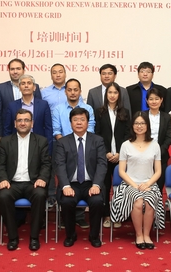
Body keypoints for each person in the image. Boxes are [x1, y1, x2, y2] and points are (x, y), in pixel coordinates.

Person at [0, 109, 52, 251]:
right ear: (15, 123)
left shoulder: (41, 141)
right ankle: (12, 237)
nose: (23, 123)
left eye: (26, 120)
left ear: (32, 123)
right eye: (20, 120)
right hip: (12, 183)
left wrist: (42, 178)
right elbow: (0, 165)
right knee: (3, 196)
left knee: (40, 194)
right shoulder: (5, 141)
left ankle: (34, 237)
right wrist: (3, 179)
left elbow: (46, 164)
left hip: (32, 183)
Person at [54, 107, 107, 248]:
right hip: (71, 184)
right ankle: (70, 235)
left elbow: (102, 164)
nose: (79, 123)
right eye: (75, 120)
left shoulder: (97, 140)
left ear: (87, 122)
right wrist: (65, 186)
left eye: (82, 119)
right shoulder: (63, 142)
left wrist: (96, 185)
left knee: (97, 201)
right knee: (67, 202)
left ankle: (94, 235)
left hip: (91, 183)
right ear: (70, 123)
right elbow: (60, 165)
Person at [111, 112, 164, 249]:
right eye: (136, 123)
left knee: (150, 201)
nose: (139, 126)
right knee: (138, 201)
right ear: (132, 125)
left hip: (149, 184)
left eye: (142, 123)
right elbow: (121, 171)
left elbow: (158, 171)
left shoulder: (155, 145)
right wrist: (135, 185)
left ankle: (147, 235)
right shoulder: (125, 145)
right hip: (129, 184)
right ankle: (139, 235)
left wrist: (147, 184)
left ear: (147, 125)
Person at [52, 78, 95, 228]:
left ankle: (80, 216)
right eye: (69, 90)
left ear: (80, 91)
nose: (72, 92)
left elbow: (91, 128)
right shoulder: (58, 109)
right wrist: (68, 145)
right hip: (64, 150)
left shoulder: (88, 108)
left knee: (83, 180)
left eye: (76, 89)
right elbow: (56, 131)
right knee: (67, 181)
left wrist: (79, 144)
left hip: (85, 147)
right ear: (65, 92)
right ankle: (67, 217)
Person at [94, 82, 131, 229]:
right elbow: (97, 134)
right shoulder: (99, 112)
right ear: (106, 95)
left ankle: (118, 215)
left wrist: (120, 153)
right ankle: (106, 215)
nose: (112, 95)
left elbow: (128, 134)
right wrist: (105, 152)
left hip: (121, 156)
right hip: (104, 156)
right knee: (105, 186)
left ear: (119, 95)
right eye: (110, 92)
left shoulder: (125, 112)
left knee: (120, 188)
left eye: (115, 92)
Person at [0, 58, 42, 139]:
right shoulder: (0, 88)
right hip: (10, 133)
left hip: (33, 134)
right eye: (12, 69)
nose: (15, 71)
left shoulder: (34, 87)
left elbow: (39, 109)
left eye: (18, 69)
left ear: (23, 70)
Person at [4, 74, 53, 150]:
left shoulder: (43, 105)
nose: (26, 86)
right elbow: (7, 129)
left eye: (29, 83)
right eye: (23, 83)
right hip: (17, 145)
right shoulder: (12, 106)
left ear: (34, 87)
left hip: (38, 146)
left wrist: (48, 150)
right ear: (19, 88)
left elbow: (48, 129)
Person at [142, 87, 171, 190]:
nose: (154, 101)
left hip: (161, 156)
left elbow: (169, 137)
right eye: (151, 99)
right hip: (143, 155)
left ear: (161, 100)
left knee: (159, 186)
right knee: (144, 185)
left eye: (156, 98)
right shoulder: (142, 115)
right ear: (147, 100)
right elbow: (138, 134)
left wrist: (159, 151)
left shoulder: (167, 117)